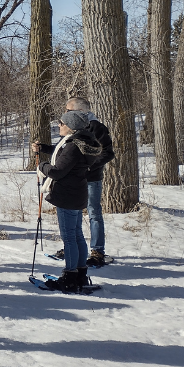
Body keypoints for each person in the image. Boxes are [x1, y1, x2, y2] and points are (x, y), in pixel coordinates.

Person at [31, 110, 102, 292]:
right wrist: (44, 148)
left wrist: (42, 166)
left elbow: (57, 171)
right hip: (76, 193)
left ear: (71, 127)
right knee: (76, 235)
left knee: (69, 237)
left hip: (67, 195)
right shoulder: (82, 142)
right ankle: (80, 274)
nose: (59, 126)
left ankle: (70, 276)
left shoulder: (73, 146)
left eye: (61, 123)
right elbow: (61, 154)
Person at [66, 97, 114, 266]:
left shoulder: (97, 127)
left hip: (91, 178)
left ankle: (97, 251)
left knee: (93, 213)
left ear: (80, 111)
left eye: (68, 110)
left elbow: (108, 153)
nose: (65, 114)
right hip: (75, 179)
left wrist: (87, 166)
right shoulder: (72, 128)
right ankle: (73, 246)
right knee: (74, 213)